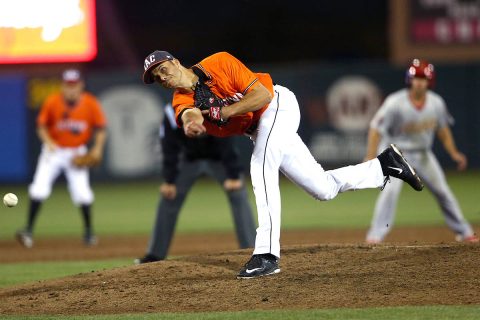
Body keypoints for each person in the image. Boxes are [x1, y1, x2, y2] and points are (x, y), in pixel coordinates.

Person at [141, 50, 423, 279]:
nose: (162, 77)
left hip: (277, 105)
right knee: (323, 188)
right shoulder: (181, 99)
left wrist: (224, 110)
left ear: (176, 62)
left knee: (260, 166)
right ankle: (385, 165)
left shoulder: (218, 62)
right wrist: (193, 124)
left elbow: (262, 96)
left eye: (163, 69)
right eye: (156, 77)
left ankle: (266, 254)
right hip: (258, 129)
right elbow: (189, 114)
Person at [364, 59, 478, 244]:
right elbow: (375, 127)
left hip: (423, 154)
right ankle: (375, 235)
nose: (419, 81)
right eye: (416, 77)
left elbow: (443, 130)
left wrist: (454, 152)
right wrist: (370, 156)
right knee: (390, 193)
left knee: (442, 191)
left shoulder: (436, 103)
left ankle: (464, 232)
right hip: (396, 154)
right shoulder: (395, 103)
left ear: (429, 81)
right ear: (410, 80)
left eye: (423, 78)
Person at [134, 103, 256, 264]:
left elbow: (225, 139)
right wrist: (169, 180)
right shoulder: (171, 112)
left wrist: (233, 175)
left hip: (219, 159)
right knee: (169, 196)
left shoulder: (209, 103)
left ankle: (252, 250)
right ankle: (155, 255)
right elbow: (168, 146)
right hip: (189, 160)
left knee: (238, 194)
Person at [16, 69, 107, 248]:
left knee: (82, 193)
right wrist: (48, 142)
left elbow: (101, 128)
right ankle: (28, 230)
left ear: (81, 85)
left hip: (77, 152)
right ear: (63, 86)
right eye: (68, 85)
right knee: (38, 189)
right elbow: (41, 126)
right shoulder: (52, 102)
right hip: (54, 151)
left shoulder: (90, 102)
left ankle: (89, 233)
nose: (71, 89)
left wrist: (97, 149)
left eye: (74, 85)